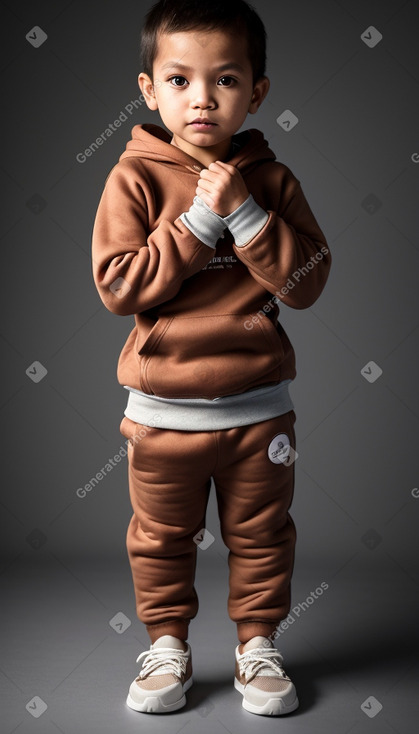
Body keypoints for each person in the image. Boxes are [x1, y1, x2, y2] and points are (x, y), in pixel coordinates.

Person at [91, 0, 331, 717]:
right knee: (160, 540)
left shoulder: (273, 180)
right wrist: (200, 221)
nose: (201, 98)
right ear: (149, 89)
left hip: (259, 412)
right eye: (180, 80)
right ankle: (167, 647)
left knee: (261, 536)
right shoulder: (131, 179)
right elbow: (118, 285)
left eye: (225, 79)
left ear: (255, 91)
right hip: (161, 413)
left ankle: (258, 648)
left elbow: (307, 282)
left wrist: (248, 213)